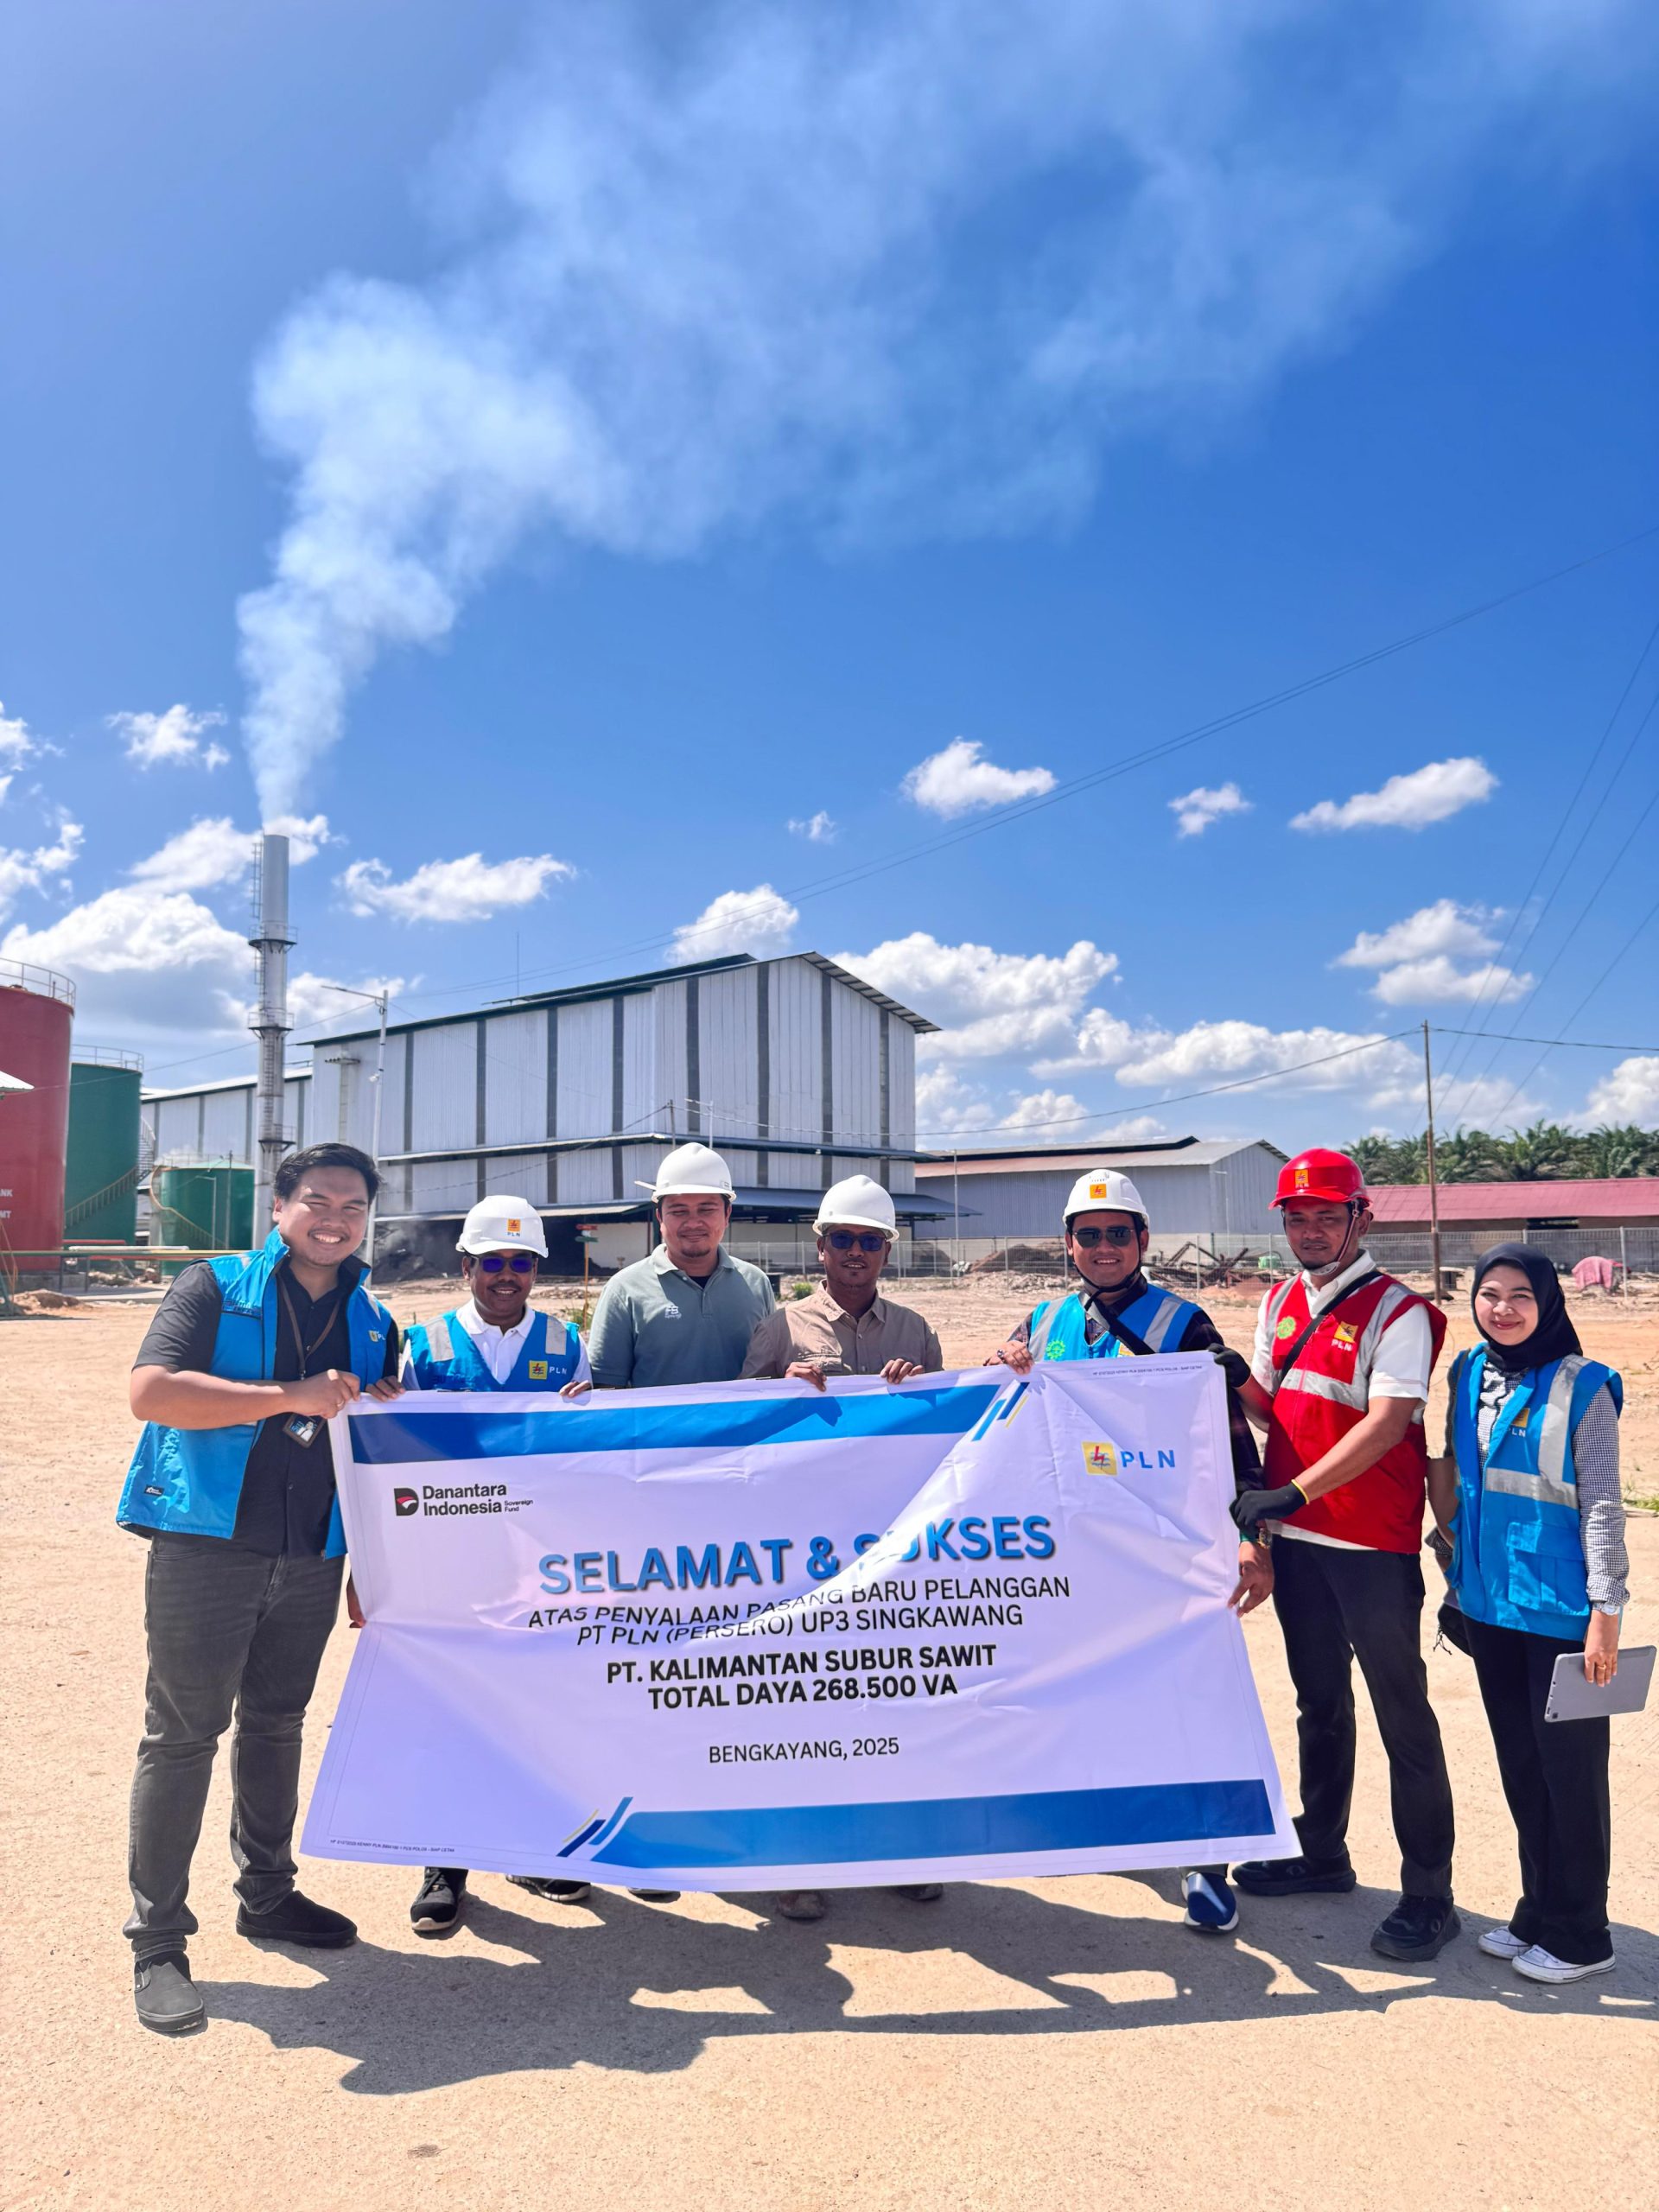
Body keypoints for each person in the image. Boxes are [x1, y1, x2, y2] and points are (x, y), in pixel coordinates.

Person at [120, 1141, 401, 2035]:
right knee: (182, 1737)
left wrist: (371, 1563)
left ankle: (268, 1894)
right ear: (279, 1207)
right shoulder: (214, 1286)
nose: (334, 1220)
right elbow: (153, 1393)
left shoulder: (375, 1319)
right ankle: (158, 1940)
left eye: (353, 1207)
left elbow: (380, 1451)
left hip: (312, 1554)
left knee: (278, 1725)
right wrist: (290, 1394)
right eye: (317, 1200)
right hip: (208, 1544)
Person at [989, 1166, 1271, 1938]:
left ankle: (1206, 1860)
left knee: (1189, 1697)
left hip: (1165, 1547)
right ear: (1068, 1244)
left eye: (1119, 1233)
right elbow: (999, 1419)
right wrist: (996, 1371)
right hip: (1071, 1549)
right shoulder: (1043, 1320)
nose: (1105, 1246)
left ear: (1143, 1239)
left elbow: (1230, 1438)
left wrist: (1250, 1538)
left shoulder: (1184, 1323)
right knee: (1080, 1692)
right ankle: (1105, 1824)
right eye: (1090, 1235)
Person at [1228, 1148, 1459, 1963]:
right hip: (1300, 1545)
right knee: (1318, 1704)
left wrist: (1289, 1494)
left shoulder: (1401, 1312)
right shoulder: (1280, 1300)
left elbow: (1387, 1424)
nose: (1312, 1231)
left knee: (1404, 1715)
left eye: (1328, 1215)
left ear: (1360, 1217)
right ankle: (1322, 1852)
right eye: (1298, 1218)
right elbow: (1273, 1409)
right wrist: (1230, 1377)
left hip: (1369, 1543)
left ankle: (1429, 1894)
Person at [742, 1173, 946, 1923]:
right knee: (800, 1710)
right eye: (842, 1240)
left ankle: (897, 1850)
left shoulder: (915, 1331)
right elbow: (734, 1430)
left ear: (887, 1250)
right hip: (800, 1554)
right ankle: (798, 1861)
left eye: (869, 1241)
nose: (855, 1252)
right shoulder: (781, 1328)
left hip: (888, 1553)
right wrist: (782, 1390)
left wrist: (921, 1389)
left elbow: (949, 1434)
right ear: (820, 1247)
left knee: (888, 1704)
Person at [1427, 1246, 1628, 1984]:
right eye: (1490, 1293)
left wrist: (1606, 1611)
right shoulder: (1467, 1372)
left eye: (1520, 1295)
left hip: (1562, 1612)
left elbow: (1602, 1503)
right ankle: (1540, 1909)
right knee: (1522, 1765)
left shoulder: (1586, 1386)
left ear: (1547, 1303)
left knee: (1571, 1774)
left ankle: (1583, 1934)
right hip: (1490, 1605)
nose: (1503, 1308)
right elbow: (1459, 1478)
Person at [397, 1197, 594, 1936]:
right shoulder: (424, 1346)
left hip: (538, 1559)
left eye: (520, 1262)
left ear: (535, 1268)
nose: (506, 1275)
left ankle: (533, 1848)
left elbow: (587, 1451)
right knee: (451, 1705)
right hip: (452, 1557)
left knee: (536, 1705)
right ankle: (445, 1861)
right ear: (466, 1266)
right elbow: (394, 1454)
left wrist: (590, 1411)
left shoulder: (566, 1344)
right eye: (492, 1262)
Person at [588, 1142, 775, 1389]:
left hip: (745, 1417)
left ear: (727, 1214)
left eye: (706, 1210)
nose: (693, 1223)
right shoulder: (624, 1290)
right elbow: (606, 1386)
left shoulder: (756, 1283)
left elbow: (773, 1368)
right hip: (660, 1418)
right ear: (660, 1217)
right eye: (679, 1211)